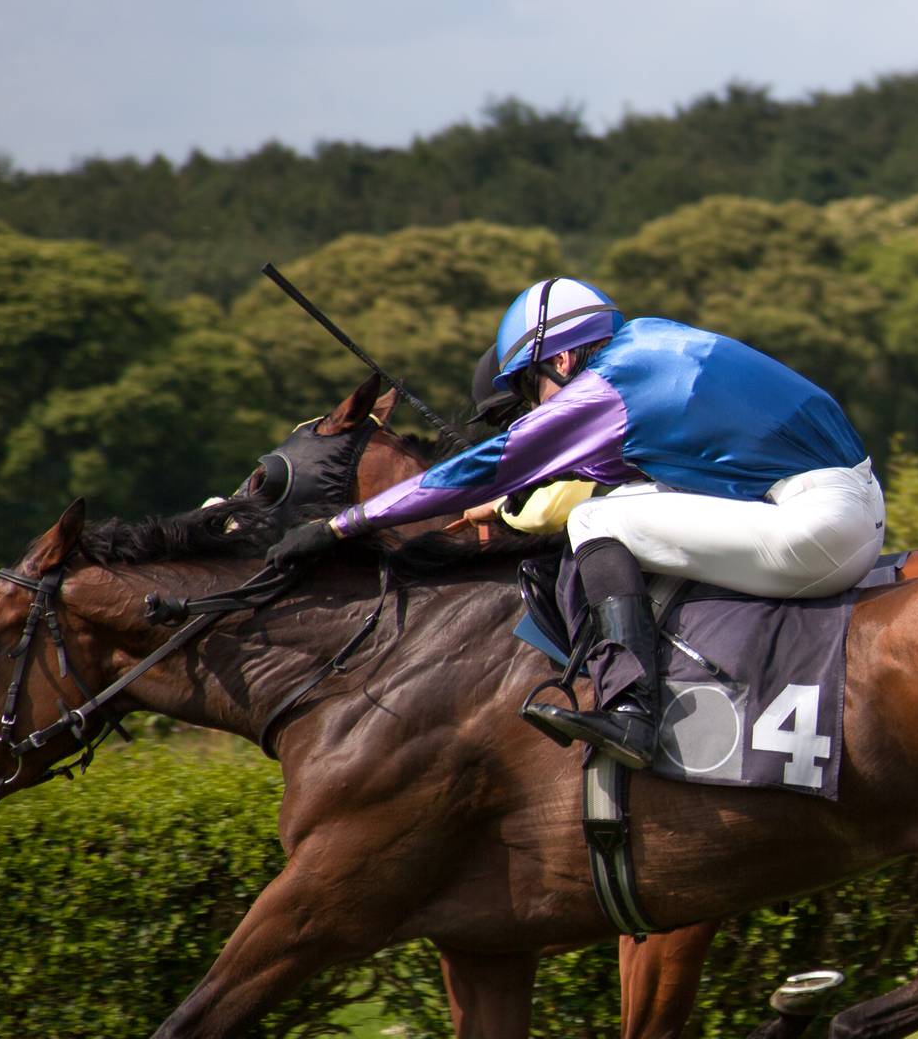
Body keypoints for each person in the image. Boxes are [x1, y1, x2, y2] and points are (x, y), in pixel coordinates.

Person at [271, 277, 884, 767]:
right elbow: (628, 473)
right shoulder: (651, 343)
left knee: (597, 522)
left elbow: (487, 467)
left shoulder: (610, 385)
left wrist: (339, 526)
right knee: (617, 507)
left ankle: (632, 711)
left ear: (561, 358)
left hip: (818, 527)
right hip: (841, 509)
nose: (538, 407)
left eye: (529, 388)